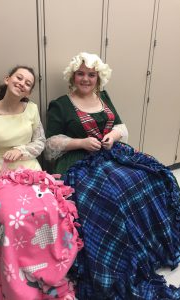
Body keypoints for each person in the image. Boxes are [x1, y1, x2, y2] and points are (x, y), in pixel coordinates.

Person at [45, 53, 180, 299]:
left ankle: (152, 248)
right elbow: (51, 144)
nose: (86, 79)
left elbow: (120, 126)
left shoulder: (103, 97)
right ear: (73, 76)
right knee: (113, 195)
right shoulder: (60, 104)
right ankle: (122, 260)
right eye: (81, 73)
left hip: (111, 153)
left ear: (98, 78)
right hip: (79, 161)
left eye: (91, 74)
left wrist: (112, 137)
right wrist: (81, 142)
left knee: (152, 179)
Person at [0, 66, 82, 300]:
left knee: (48, 210)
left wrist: (22, 149)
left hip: (32, 172)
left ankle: (45, 268)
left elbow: (40, 141)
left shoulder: (32, 110)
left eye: (28, 83)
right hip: (1, 174)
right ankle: (10, 271)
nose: (22, 83)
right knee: (9, 218)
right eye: (19, 77)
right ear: (7, 79)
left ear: (29, 91)